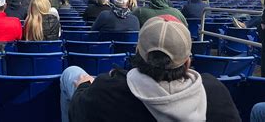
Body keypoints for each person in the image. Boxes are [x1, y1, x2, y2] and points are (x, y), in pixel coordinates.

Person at [61, 15, 241, 122]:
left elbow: (76, 112)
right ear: (188, 62)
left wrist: (84, 86)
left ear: (137, 52)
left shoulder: (107, 90)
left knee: (71, 73)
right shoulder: (215, 92)